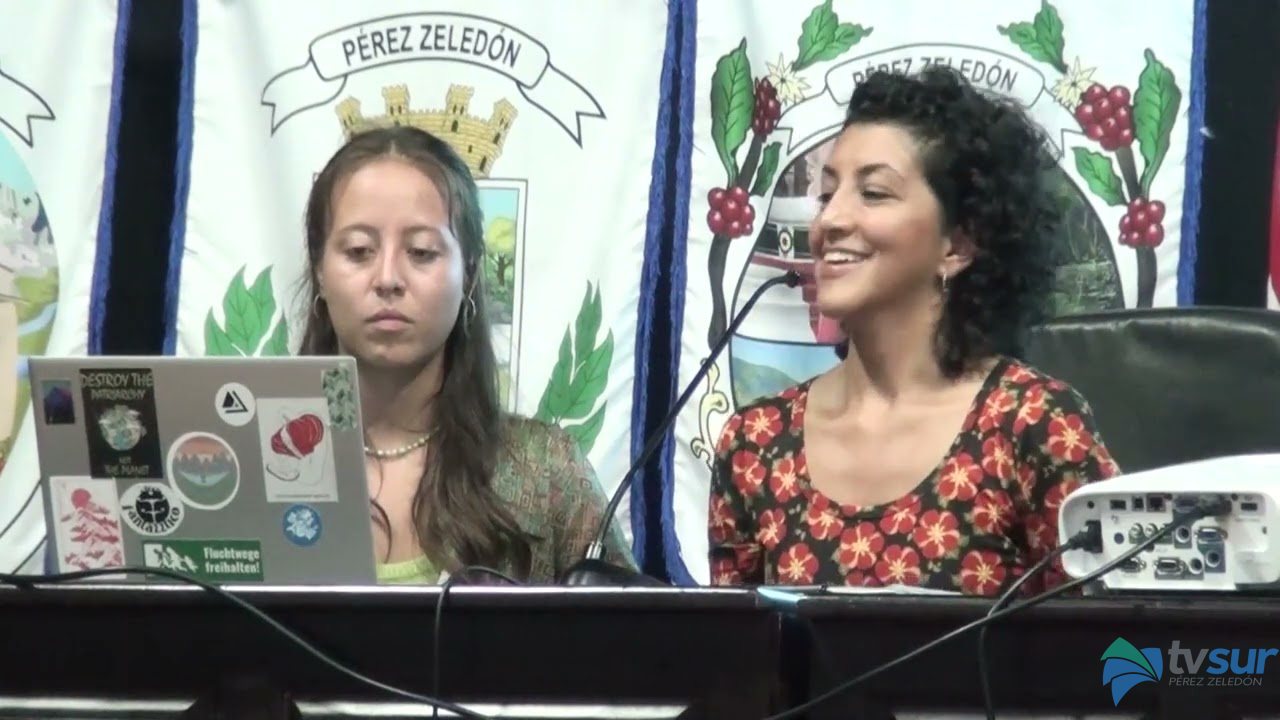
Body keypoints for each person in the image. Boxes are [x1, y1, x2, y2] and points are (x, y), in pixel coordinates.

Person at [708, 66, 1120, 595]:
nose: (829, 221)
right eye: (826, 194)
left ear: (958, 244)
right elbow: (734, 643)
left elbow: (1119, 636)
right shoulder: (755, 442)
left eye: (873, 193)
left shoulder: (1033, 426)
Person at [300, 125, 635, 584]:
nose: (388, 278)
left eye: (421, 252)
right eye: (359, 251)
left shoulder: (546, 471)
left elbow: (634, 625)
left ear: (470, 273)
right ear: (320, 270)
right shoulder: (262, 457)